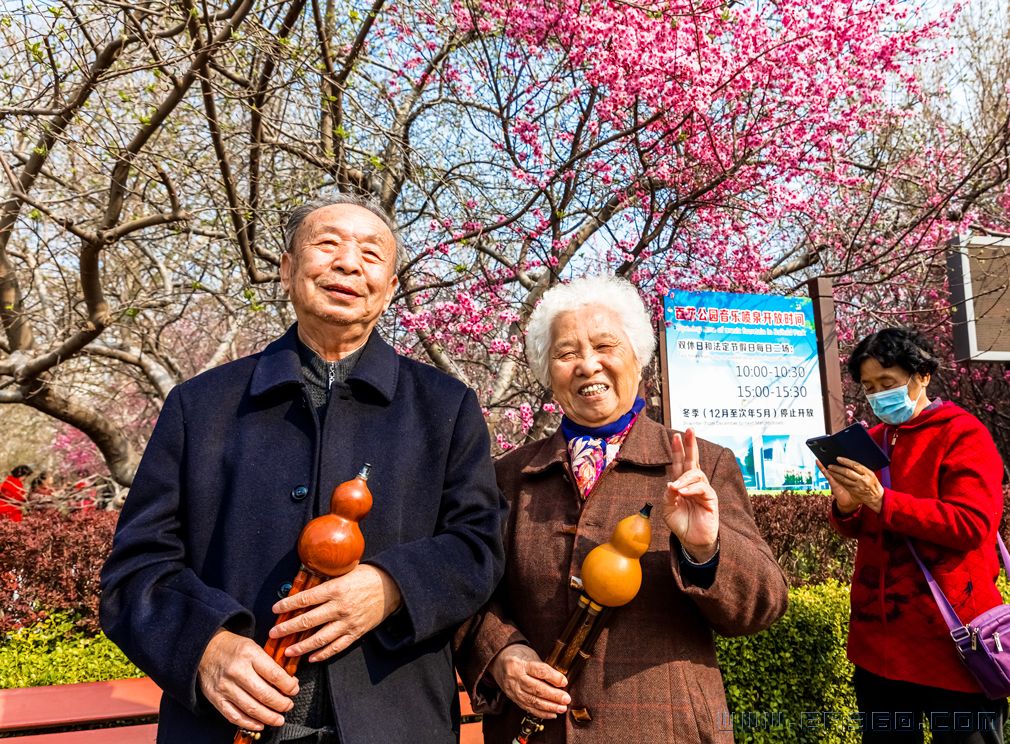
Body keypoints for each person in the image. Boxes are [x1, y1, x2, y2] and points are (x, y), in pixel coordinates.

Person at [100, 193, 507, 744]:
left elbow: (479, 546)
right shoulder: (201, 406)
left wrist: (390, 586)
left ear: (388, 290)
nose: (347, 264)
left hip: (396, 721)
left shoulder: (444, 406)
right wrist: (207, 647)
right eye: (328, 244)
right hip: (225, 727)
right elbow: (136, 570)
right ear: (287, 269)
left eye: (371, 253)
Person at [454, 275, 788, 743]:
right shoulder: (509, 475)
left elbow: (760, 607)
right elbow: (469, 589)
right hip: (537, 730)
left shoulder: (701, 464)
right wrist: (502, 655)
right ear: (546, 371)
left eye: (605, 346)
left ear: (638, 357)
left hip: (664, 727)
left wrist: (705, 548)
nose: (588, 365)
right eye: (567, 354)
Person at [823, 327, 1007, 743]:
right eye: (869, 387)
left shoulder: (963, 433)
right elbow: (858, 524)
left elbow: (972, 524)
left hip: (953, 644)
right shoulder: (870, 441)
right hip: (880, 649)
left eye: (887, 383)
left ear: (921, 375)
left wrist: (883, 501)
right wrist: (847, 507)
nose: (877, 394)